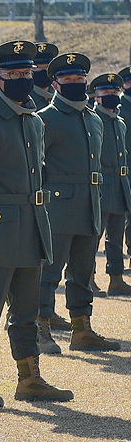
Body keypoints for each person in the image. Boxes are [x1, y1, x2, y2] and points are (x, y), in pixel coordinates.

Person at [0, 39, 72, 408]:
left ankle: (29, 379)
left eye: (26, 73)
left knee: (27, 310)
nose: (22, 79)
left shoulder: (33, 121)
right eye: (14, 74)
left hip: (32, 224)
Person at [35, 52, 121, 354]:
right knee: (48, 272)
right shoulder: (45, 119)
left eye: (80, 78)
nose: (75, 83)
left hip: (89, 205)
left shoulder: (93, 119)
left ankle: (81, 330)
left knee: (83, 271)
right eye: (68, 79)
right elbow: (36, 166)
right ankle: (40, 329)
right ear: (55, 83)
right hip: (56, 207)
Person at [91, 73, 131, 296]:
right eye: (106, 93)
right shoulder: (93, 119)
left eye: (115, 92)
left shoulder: (119, 121)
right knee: (92, 238)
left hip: (119, 185)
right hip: (101, 186)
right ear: (96, 97)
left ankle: (115, 278)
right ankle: (88, 279)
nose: (112, 96)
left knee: (115, 238)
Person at [30, 42, 58, 109]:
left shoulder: (60, 97)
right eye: (37, 67)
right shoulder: (25, 99)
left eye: (47, 67)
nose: (43, 70)